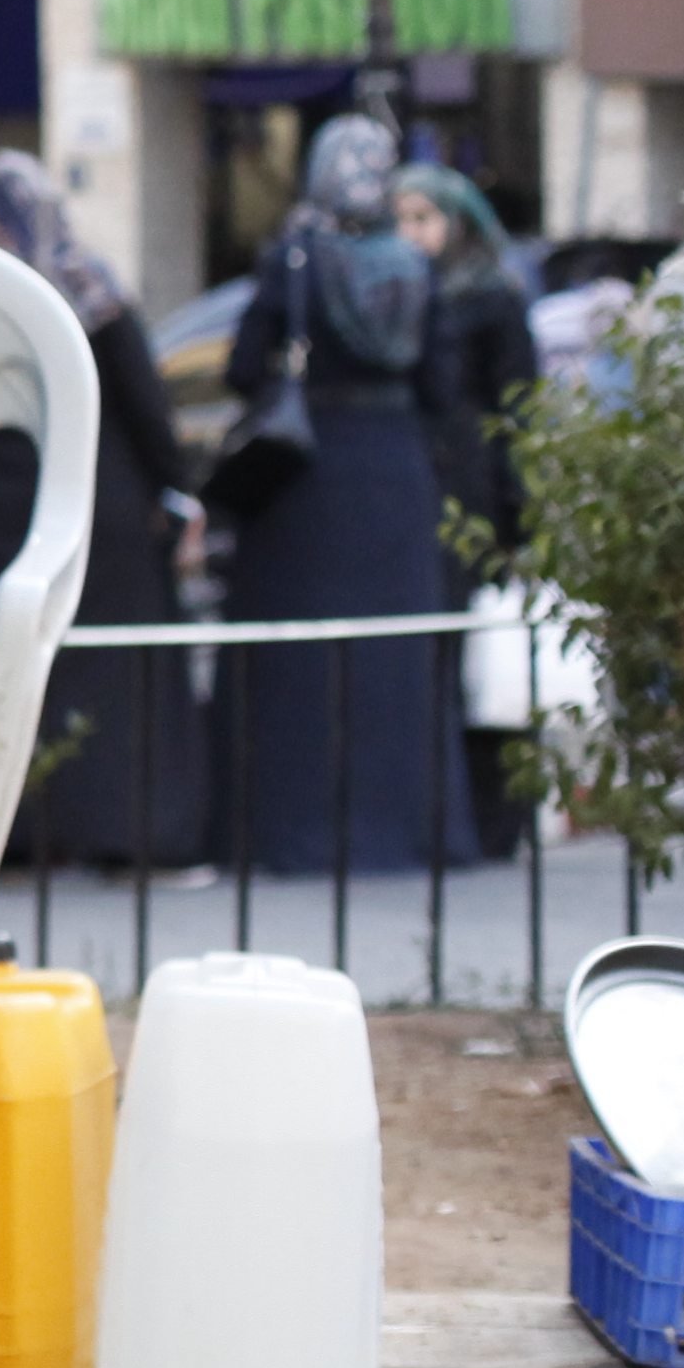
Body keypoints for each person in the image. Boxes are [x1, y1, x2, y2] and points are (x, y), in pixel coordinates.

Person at [220, 114, 489, 871]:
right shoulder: (414, 266)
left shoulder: (296, 257)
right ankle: (409, 832)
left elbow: (244, 368)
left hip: (307, 486)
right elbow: (441, 387)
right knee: (396, 668)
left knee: (300, 670)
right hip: (397, 484)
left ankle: (299, 835)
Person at [0, 152, 204, 867]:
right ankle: (129, 835)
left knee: (16, 677)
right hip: (98, 510)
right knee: (120, 687)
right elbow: (143, 404)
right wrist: (175, 492)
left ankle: (19, 836)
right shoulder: (91, 289)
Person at [398, 160, 542, 859]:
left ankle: (488, 819)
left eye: (423, 218)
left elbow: (519, 409)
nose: (411, 234)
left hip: (475, 488)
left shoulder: (491, 295)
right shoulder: (403, 294)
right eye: (401, 219)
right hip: (426, 482)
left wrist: (519, 513)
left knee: (476, 657)